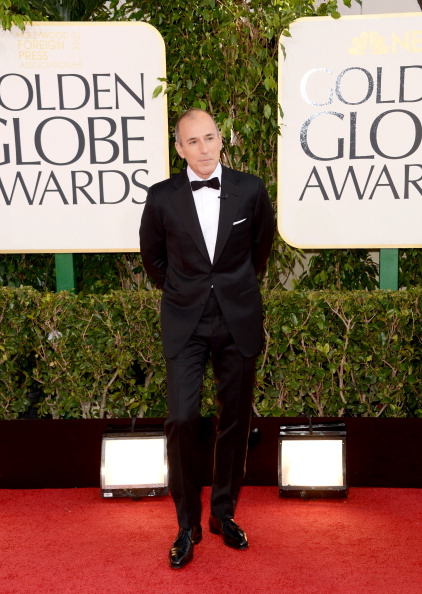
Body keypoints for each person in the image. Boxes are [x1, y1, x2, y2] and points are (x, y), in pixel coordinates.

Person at [139, 108, 275, 569]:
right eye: (191, 142)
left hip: (237, 316)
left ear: (222, 140)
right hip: (185, 321)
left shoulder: (251, 189)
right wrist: (187, 292)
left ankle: (222, 514)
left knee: (234, 420)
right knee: (181, 419)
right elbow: (153, 259)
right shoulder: (161, 198)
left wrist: (231, 288)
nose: (202, 149)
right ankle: (186, 524)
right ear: (179, 149)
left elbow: (261, 250)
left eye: (209, 138)